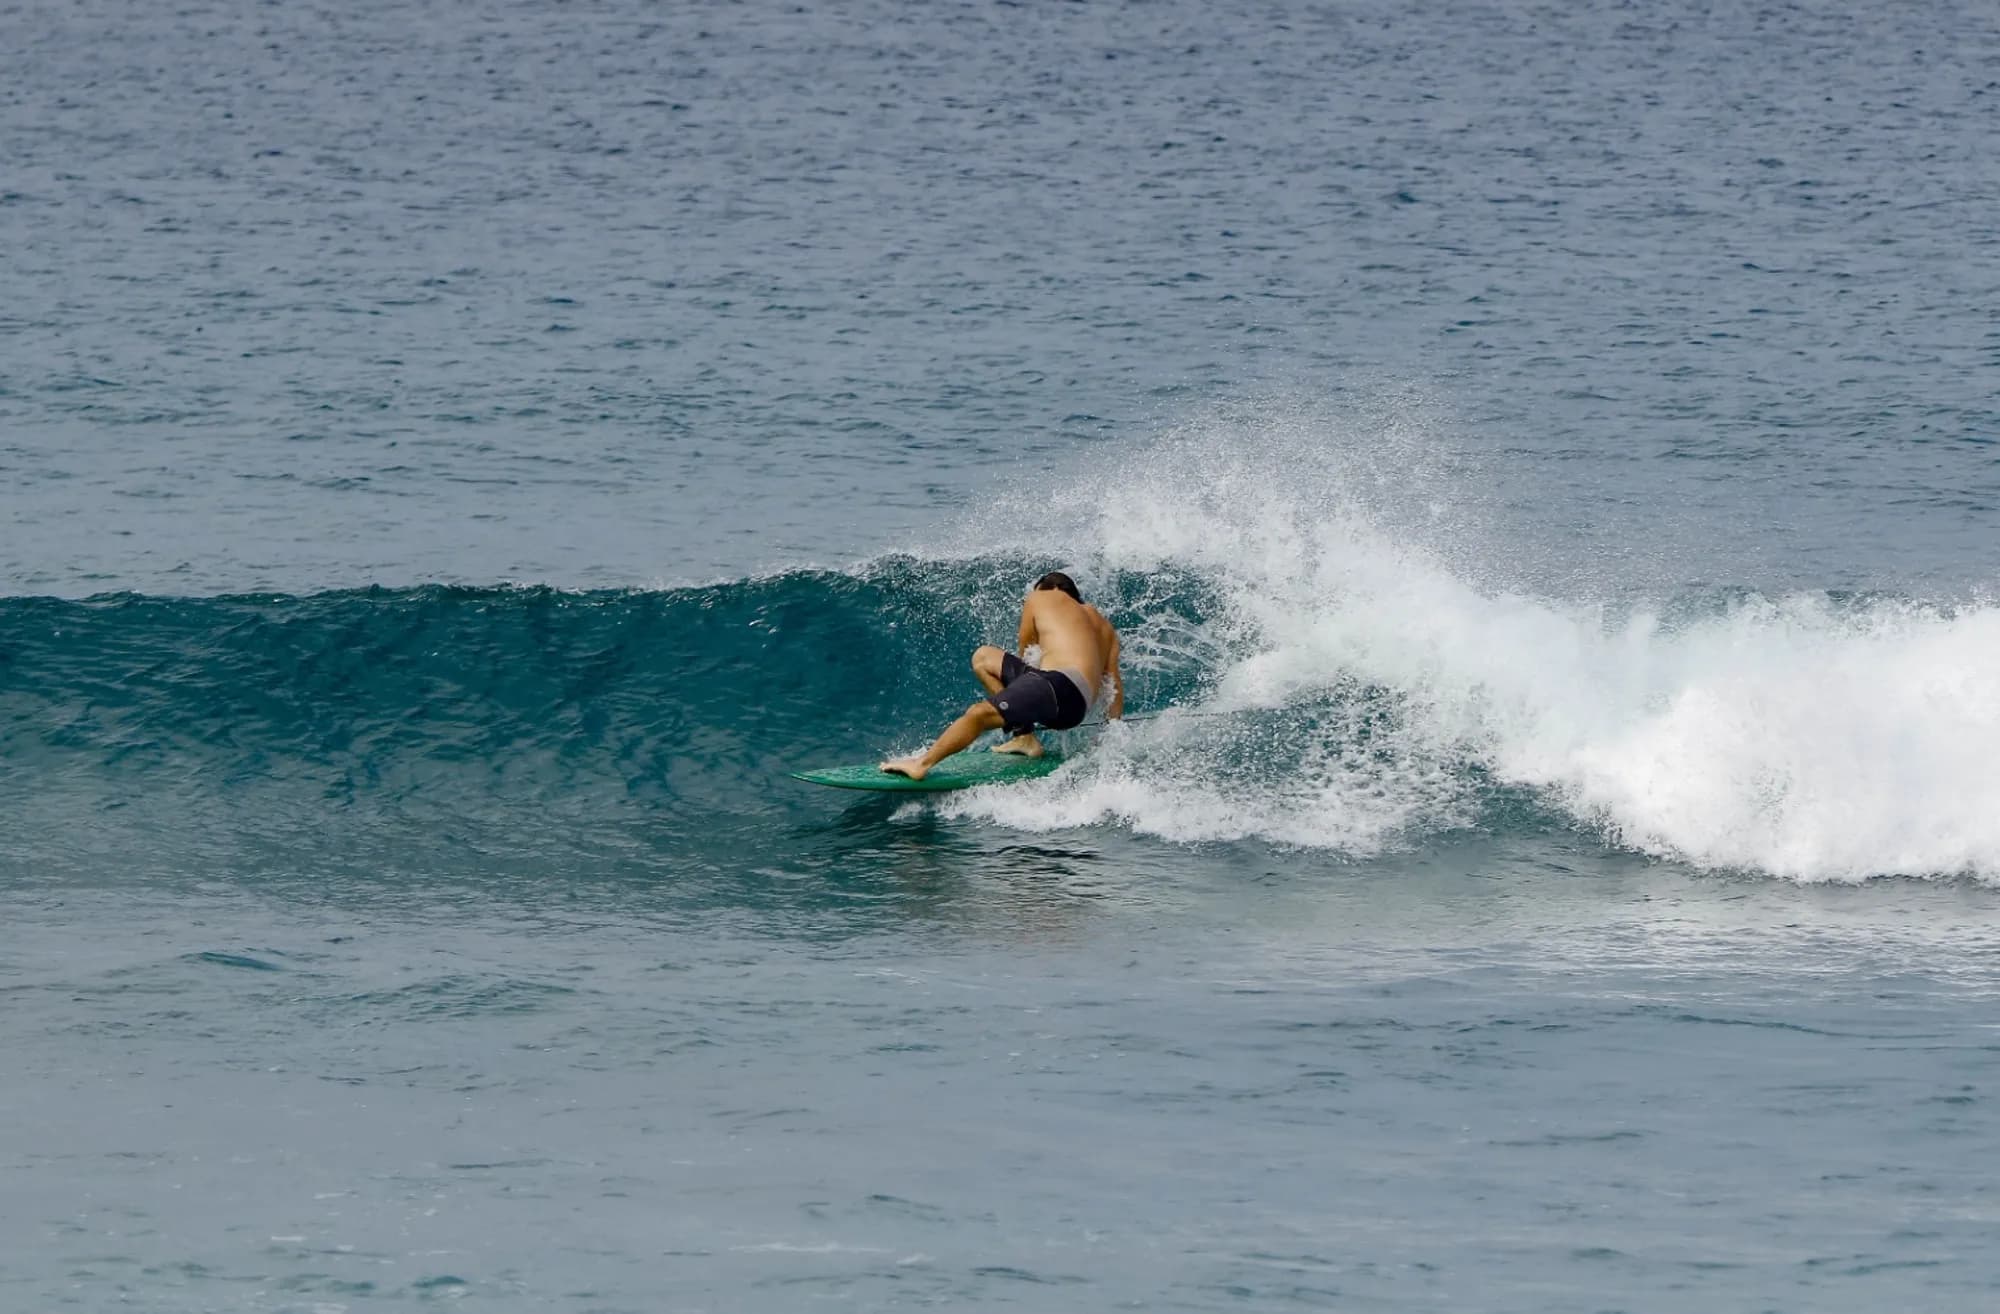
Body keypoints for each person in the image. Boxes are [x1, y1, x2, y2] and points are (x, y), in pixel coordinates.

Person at [881, 571, 1123, 781]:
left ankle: (921, 764)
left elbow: (1027, 651)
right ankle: (1024, 738)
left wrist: (1019, 704)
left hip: (1056, 685)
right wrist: (1108, 737)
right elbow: (1113, 687)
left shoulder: (1041, 596)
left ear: (1046, 587)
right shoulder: (1103, 625)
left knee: (979, 714)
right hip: (1075, 706)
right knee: (984, 657)